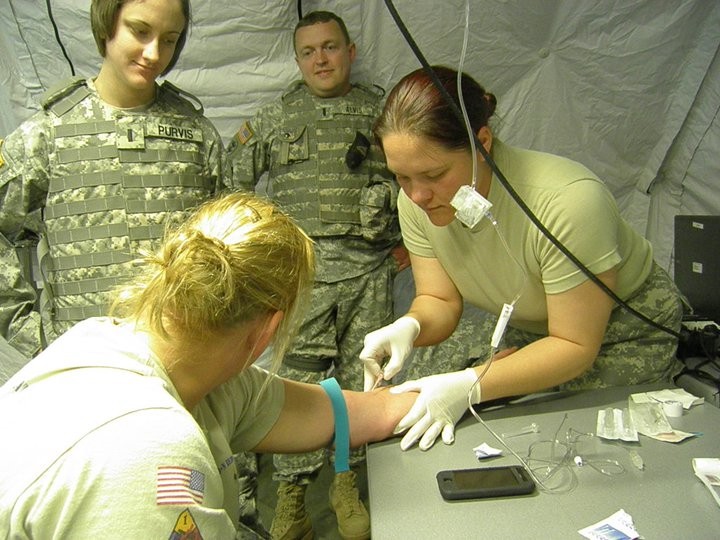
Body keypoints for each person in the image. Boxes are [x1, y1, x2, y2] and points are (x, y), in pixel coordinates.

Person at [0, 191, 417, 539]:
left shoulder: (112, 343)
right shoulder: (153, 452)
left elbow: (350, 413)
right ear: (268, 330)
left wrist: (466, 387)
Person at [360, 65, 684, 452]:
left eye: (433, 174)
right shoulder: (415, 202)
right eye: (402, 177)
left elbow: (574, 344)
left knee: (575, 441)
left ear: (482, 143)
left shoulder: (566, 201)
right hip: (532, 326)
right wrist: (410, 326)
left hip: (623, 328)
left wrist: (470, 383)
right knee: (483, 428)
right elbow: (439, 300)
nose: (417, 195)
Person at [227, 11, 407, 540]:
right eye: (309, 51)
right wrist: (262, 248)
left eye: (330, 48)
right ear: (298, 58)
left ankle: (346, 483)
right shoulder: (279, 116)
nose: (321, 59)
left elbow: (418, 178)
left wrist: (402, 230)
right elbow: (229, 178)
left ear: (350, 51)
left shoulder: (382, 113)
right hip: (302, 280)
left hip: (368, 275)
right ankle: (292, 497)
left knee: (361, 382)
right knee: (300, 388)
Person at [0, 0, 225, 363]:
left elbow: (225, 250)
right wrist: (30, 331)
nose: (154, 53)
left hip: (181, 362)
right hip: (85, 366)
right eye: (140, 31)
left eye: (169, 39)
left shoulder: (197, 134)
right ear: (107, 25)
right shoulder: (49, 134)